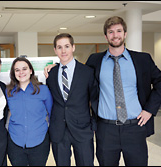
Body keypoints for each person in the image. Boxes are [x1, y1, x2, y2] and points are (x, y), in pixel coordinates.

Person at [85, 16, 161, 166]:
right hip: (106, 130)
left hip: (135, 128)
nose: (115, 35)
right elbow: (78, 77)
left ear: (125, 34)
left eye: (119, 31)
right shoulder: (95, 60)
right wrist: (56, 68)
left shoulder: (142, 59)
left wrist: (149, 110)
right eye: (111, 32)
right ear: (106, 36)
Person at [46, 33, 97, 166]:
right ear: (55, 50)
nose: (63, 51)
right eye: (59, 47)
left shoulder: (87, 72)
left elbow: (95, 99)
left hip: (83, 129)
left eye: (67, 46)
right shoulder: (50, 74)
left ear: (73, 47)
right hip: (59, 130)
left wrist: (94, 124)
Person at [6, 57, 53, 166]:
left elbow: (52, 114)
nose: (21, 72)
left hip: (40, 141)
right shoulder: (8, 92)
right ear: (13, 73)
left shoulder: (43, 90)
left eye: (24, 69)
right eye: (17, 70)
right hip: (15, 142)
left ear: (31, 71)